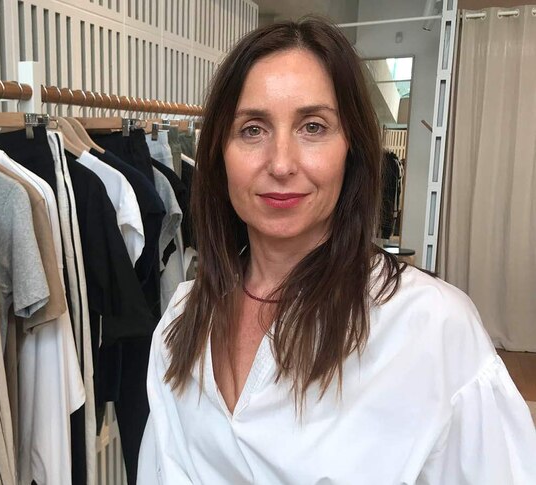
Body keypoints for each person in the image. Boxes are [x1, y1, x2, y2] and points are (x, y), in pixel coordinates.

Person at [138, 17, 536, 484]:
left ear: (352, 149)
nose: (281, 163)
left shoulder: (430, 326)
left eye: (312, 126)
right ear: (219, 152)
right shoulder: (183, 318)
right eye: (252, 129)